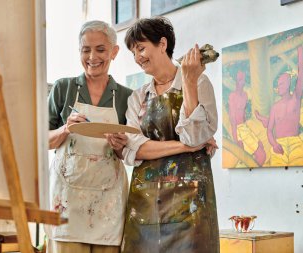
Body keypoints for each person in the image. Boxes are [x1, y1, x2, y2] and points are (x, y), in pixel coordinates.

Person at [121, 17, 219, 253]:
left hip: (191, 203)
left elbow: (194, 135)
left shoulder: (199, 82)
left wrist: (188, 80)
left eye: (141, 48)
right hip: (145, 205)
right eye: (133, 52)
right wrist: (187, 148)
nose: (137, 58)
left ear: (162, 44)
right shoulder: (137, 98)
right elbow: (136, 149)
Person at [47, 20, 133, 253]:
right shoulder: (63, 88)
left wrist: (119, 146)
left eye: (100, 49)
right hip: (67, 202)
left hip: (108, 202)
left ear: (114, 52)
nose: (92, 57)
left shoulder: (127, 97)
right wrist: (65, 129)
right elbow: (41, 140)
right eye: (86, 50)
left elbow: (130, 152)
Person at [256, 45, 303, 166]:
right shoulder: (275, 107)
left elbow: (301, 74)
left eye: (281, 84)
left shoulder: (296, 98)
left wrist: (300, 52)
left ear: (288, 84)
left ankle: (263, 119)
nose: (279, 87)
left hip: (295, 143)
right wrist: (274, 144)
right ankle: (263, 119)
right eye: (278, 85)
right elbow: (269, 131)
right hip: (279, 144)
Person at [228, 70, 266, 166]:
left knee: (261, 146)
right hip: (238, 129)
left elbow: (243, 113)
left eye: (243, 79)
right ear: (236, 81)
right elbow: (232, 118)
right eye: (240, 79)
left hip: (245, 127)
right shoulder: (233, 96)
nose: (242, 82)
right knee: (261, 156)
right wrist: (236, 137)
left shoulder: (245, 95)